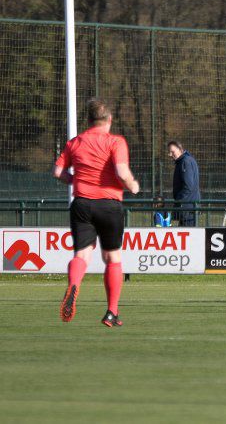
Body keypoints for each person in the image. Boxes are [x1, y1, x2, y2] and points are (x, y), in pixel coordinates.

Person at [53, 98, 140, 328]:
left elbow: (57, 171)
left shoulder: (75, 142)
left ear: (89, 120)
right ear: (109, 119)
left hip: (82, 203)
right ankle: (112, 311)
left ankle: (74, 285)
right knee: (112, 257)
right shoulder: (115, 141)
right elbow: (121, 172)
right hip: (109, 204)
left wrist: (74, 180)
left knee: (82, 255)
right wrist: (132, 185)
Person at [168, 140, 200, 227]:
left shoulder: (185, 162)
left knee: (188, 233)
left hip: (187, 208)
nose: (170, 154)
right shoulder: (186, 160)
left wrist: (178, 200)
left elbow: (188, 186)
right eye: (169, 152)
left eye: (172, 152)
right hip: (188, 207)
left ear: (180, 149)